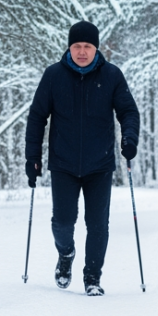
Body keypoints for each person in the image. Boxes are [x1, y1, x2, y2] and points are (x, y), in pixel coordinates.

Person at [25, 21, 139, 296]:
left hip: (100, 163)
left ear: (96, 48)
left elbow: (128, 112)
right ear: (69, 47)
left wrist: (129, 139)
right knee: (62, 223)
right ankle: (66, 254)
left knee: (98, 224)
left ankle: (92, 278)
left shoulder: (112, 75)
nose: (82, 52)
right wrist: (32, 157)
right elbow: (37, 117)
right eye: (77, 46)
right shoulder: (53, 75)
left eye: (88, 46)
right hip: (63, 163)